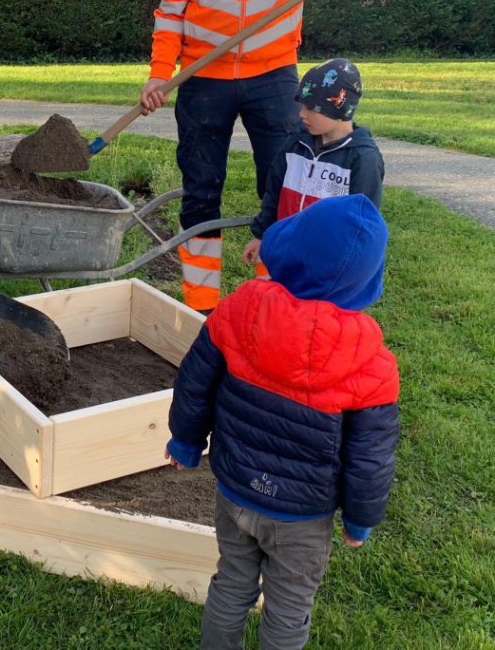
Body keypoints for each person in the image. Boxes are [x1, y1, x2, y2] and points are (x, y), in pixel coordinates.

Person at [139, 0, 402, 313]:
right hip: (204, 78)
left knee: (282, 185)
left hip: (273, 72)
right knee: (200, 190)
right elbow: (170, 11)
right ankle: (201, 308)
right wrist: (159, 75)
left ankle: (270, 299)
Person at [166, 194, 400, 650]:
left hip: (235, 488)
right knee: (289, 609)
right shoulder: (373, 364)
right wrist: (359, 519)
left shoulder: (238, 308)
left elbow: (195, 382)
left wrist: (185, 442)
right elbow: (370, 457)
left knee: (231, 583)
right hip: (303, 516)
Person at [242, 58, 384, 272]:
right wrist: (262, 236)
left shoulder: (363, 159)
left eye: (311, 108)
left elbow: (363, 223)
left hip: (326, 266)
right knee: (271, 302)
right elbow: (273, 193)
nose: (301, 114)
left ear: (338, 109)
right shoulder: (295, 144)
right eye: (302, 105)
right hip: (283, 254)